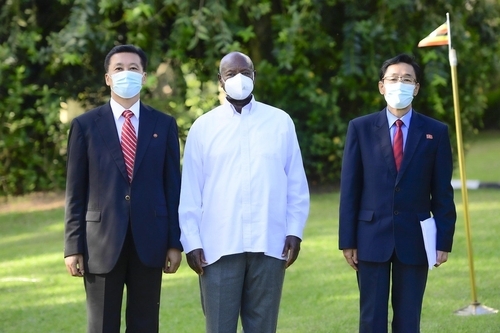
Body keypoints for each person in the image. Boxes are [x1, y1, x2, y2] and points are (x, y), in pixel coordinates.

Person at [178, 51, 310, 333]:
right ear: (220, 80)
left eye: (245, 72)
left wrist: (294, 231)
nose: (239, 78)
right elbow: (190, 191)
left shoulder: (280, 122)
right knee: (219, 328)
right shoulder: (203, 127)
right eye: (230, 73)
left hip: (270, 242)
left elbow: (296, 184)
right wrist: (191, 242)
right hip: (218, 247)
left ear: (254, 76)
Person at [64, 44, 182, 333]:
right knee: (102, 325)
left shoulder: (164, 125)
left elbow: (172, 187)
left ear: (143, 77)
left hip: (150, 241)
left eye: (133, 68)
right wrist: (72, 246)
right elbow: (75, 192)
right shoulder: (85, 126)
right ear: (107, 78)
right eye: (119, 69)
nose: (125, 74)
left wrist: (174, 242)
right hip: (100, 244)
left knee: (145, 325)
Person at [338, 53, 457, 333]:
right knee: (371, 319)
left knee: (408, 319)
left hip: (415, 237)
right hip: (370, 236)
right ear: (382, 86)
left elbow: (442, 192)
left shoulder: (436, 132)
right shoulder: (360, 128)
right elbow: (350, 189)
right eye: (393, 79)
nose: (399, 84)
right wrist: (348, 240)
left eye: (407, 79)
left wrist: (444, 240)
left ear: (416, 87)